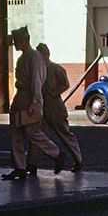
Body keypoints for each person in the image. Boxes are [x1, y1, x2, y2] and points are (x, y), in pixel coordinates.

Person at [1, 27, 63, 181]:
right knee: (16, 134)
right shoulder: (24, 57)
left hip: (28, 96)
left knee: (32, 132)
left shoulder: (34, 57)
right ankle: (19, 167)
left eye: (16, 41)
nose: (14, 44)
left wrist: (35, 102)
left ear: (23, 40)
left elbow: (36, 81)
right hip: (21, 96)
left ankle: (56, 153)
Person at [28, 42, 84, 173]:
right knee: (37, 135)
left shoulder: (56, 69)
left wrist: (54, 92)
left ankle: (78, 160)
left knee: (64, 134)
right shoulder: (36, 70)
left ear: (47, 54)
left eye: (42, 53)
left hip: (55, 106)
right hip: (42, 106)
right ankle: (32, 164)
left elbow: (65, 84)